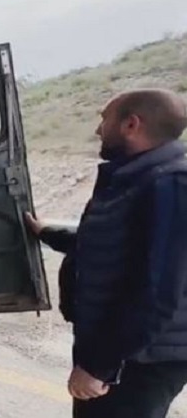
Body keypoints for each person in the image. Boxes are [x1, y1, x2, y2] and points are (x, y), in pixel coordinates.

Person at [25, 88, 187, 418]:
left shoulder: (170, 185)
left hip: (141, 360)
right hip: (122, 351)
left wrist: (101, 366)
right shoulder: (135, 177)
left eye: (104, 119)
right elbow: (116, 245)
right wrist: (47, 233)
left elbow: (157, 293)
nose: (98, 129)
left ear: (131, 124)